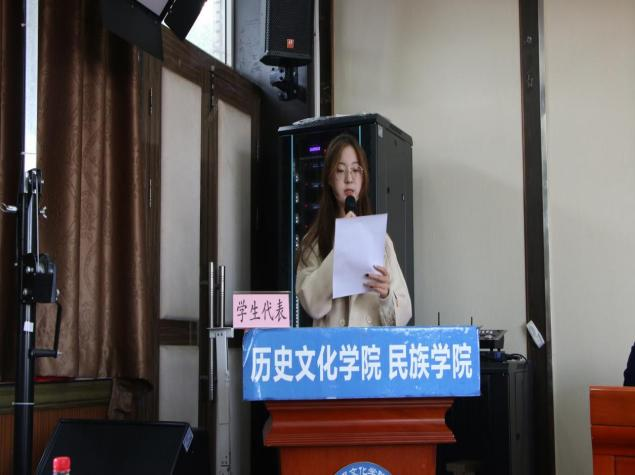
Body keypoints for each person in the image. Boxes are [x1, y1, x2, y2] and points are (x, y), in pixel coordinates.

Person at [295, 134, 412, 327]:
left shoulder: (380, 239)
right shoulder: (313, 242)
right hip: (331, 346)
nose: (349, 179)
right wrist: (340, 249)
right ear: (329, 179)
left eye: (356, 170)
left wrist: (386, 294)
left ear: (363, 179)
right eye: (340, 170)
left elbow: (404, 312)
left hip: (369, 345)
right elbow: (312, 305)